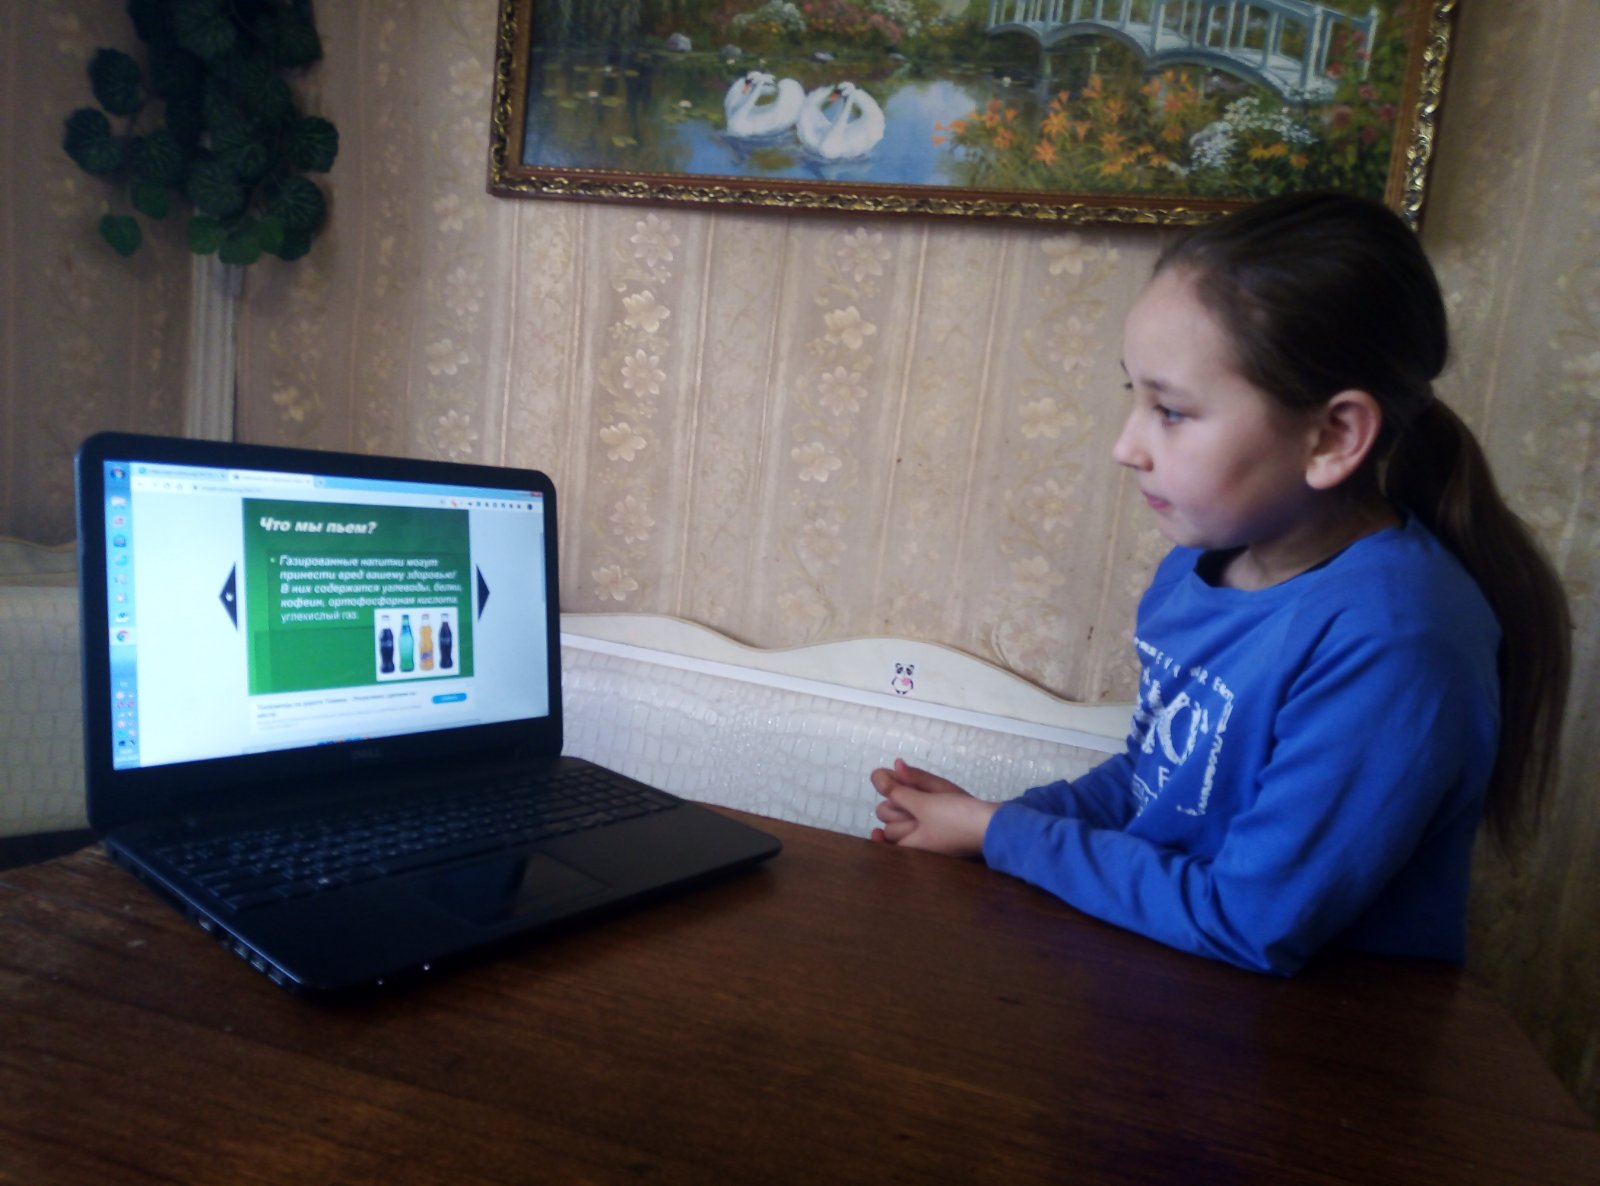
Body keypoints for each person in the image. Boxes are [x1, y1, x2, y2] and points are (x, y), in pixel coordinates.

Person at [869, 191, 1571, 975]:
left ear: (1334, 436)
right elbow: (1155, 781)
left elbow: (1250, 920)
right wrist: (992, 823)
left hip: (1315, 1031)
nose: (1127, 446)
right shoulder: (1199, 567)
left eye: (1170, 411)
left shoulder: (1396, 640)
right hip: (1168, 982)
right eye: (1133, 396)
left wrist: (1005, 835)